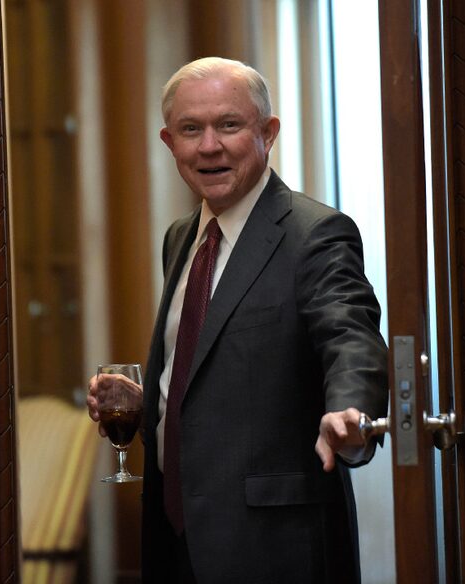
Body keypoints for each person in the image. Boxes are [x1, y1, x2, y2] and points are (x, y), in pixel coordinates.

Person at [88, 56, 388, 583]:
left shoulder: (315, 233)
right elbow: (214, 367)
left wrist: (351, 409)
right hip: (175, 539)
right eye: (190, 129)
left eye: (229, 125)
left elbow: (349, 334)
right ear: (168, 143)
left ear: (267, 133)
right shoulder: (181, 238)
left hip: (274, 548)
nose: (209, 146)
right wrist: (154, 404)